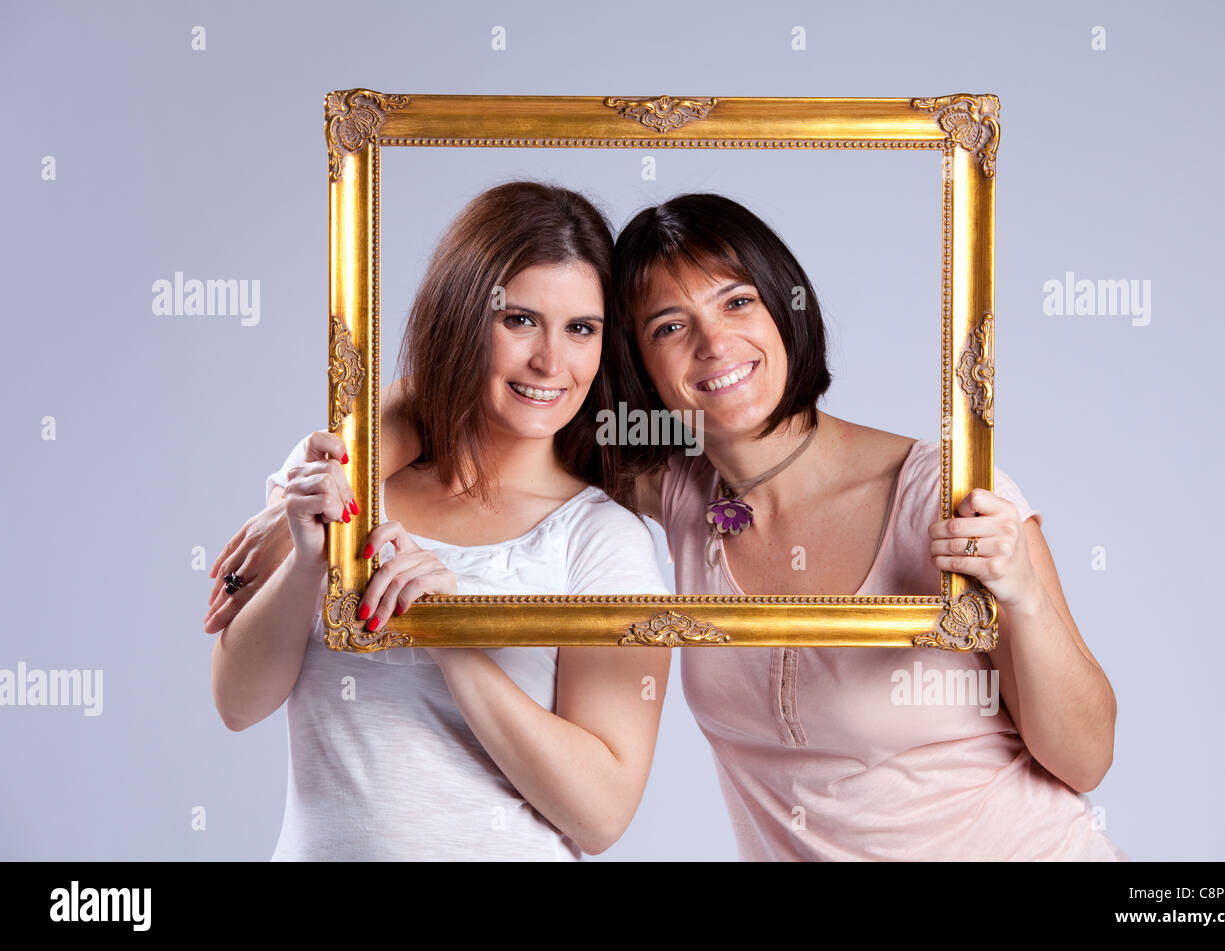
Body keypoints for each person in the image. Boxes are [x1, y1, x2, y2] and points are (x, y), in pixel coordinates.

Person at [209, 192, 1126, 861]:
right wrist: (315, 490)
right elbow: (494, 395)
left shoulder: (950, 497)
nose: (715, 344)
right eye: (668, 326)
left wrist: (1029, 596)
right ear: (640, 366)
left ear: (784, 305)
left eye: (737, 302)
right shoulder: (672, 489)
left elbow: (1084, 757)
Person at [209, 181, 671, 861]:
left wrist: (452, 636)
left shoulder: (602, 541)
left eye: (581, 328)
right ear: (461, 316)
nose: (551, 361)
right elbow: (236, 703)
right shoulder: (348, 477)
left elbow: (601, 814)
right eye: (519, 319)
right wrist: (310, 558)